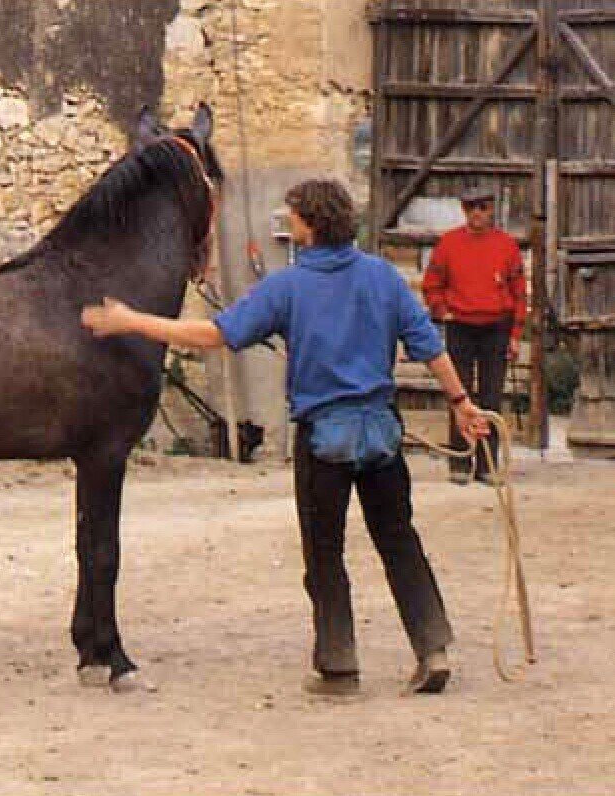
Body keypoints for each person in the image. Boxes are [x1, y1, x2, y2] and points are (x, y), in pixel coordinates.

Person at [81, 178, 488, 696]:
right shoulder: (382, 277)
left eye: (292, 215)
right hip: (382, 430)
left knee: (324, 552)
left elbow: (214, 335)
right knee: (400, 541)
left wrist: (133, 321)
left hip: (324, 438)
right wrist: (462, 404)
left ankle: (339, 666)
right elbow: (431, 348)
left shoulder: (287, 287)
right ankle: (432, 649)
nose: (288, 222)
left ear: (311, 226)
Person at [422, 185, 527, 484]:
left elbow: (519, 292)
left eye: (482, 206)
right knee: (459, 393)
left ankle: (488, 465)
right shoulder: (449, 244)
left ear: (492, 209)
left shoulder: (506, 246)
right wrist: (442, 311)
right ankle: (459, 461)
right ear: (463, 210)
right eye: (470, 207)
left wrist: (516, 334)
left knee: (491, 396)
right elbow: (432, 283)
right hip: (461, 327)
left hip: (497, 327)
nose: (477, 213)